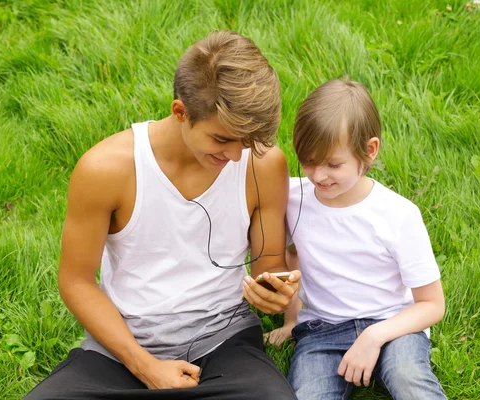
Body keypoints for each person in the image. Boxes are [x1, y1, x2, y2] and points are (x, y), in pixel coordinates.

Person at [25, 30, 300, 400]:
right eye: (222, 139)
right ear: (180, 112)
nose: (237, 156)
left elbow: (267, 268)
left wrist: (273, 292)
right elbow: (76, 281)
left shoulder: (265, 164)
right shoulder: (105, 170)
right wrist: (144, 365)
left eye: (248, 140)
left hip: (225, 341)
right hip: (121, 347)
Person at [266, 79, 447, 399]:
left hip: (393, 327)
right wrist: (290, 319)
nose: (318, 175)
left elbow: (432, 304)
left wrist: (374, 336)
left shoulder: (398, 215)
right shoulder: (293, 198)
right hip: (320, 334)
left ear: (370, 150)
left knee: (409, 379)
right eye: (307, 161)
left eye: (333, 164)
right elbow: (293, 257)